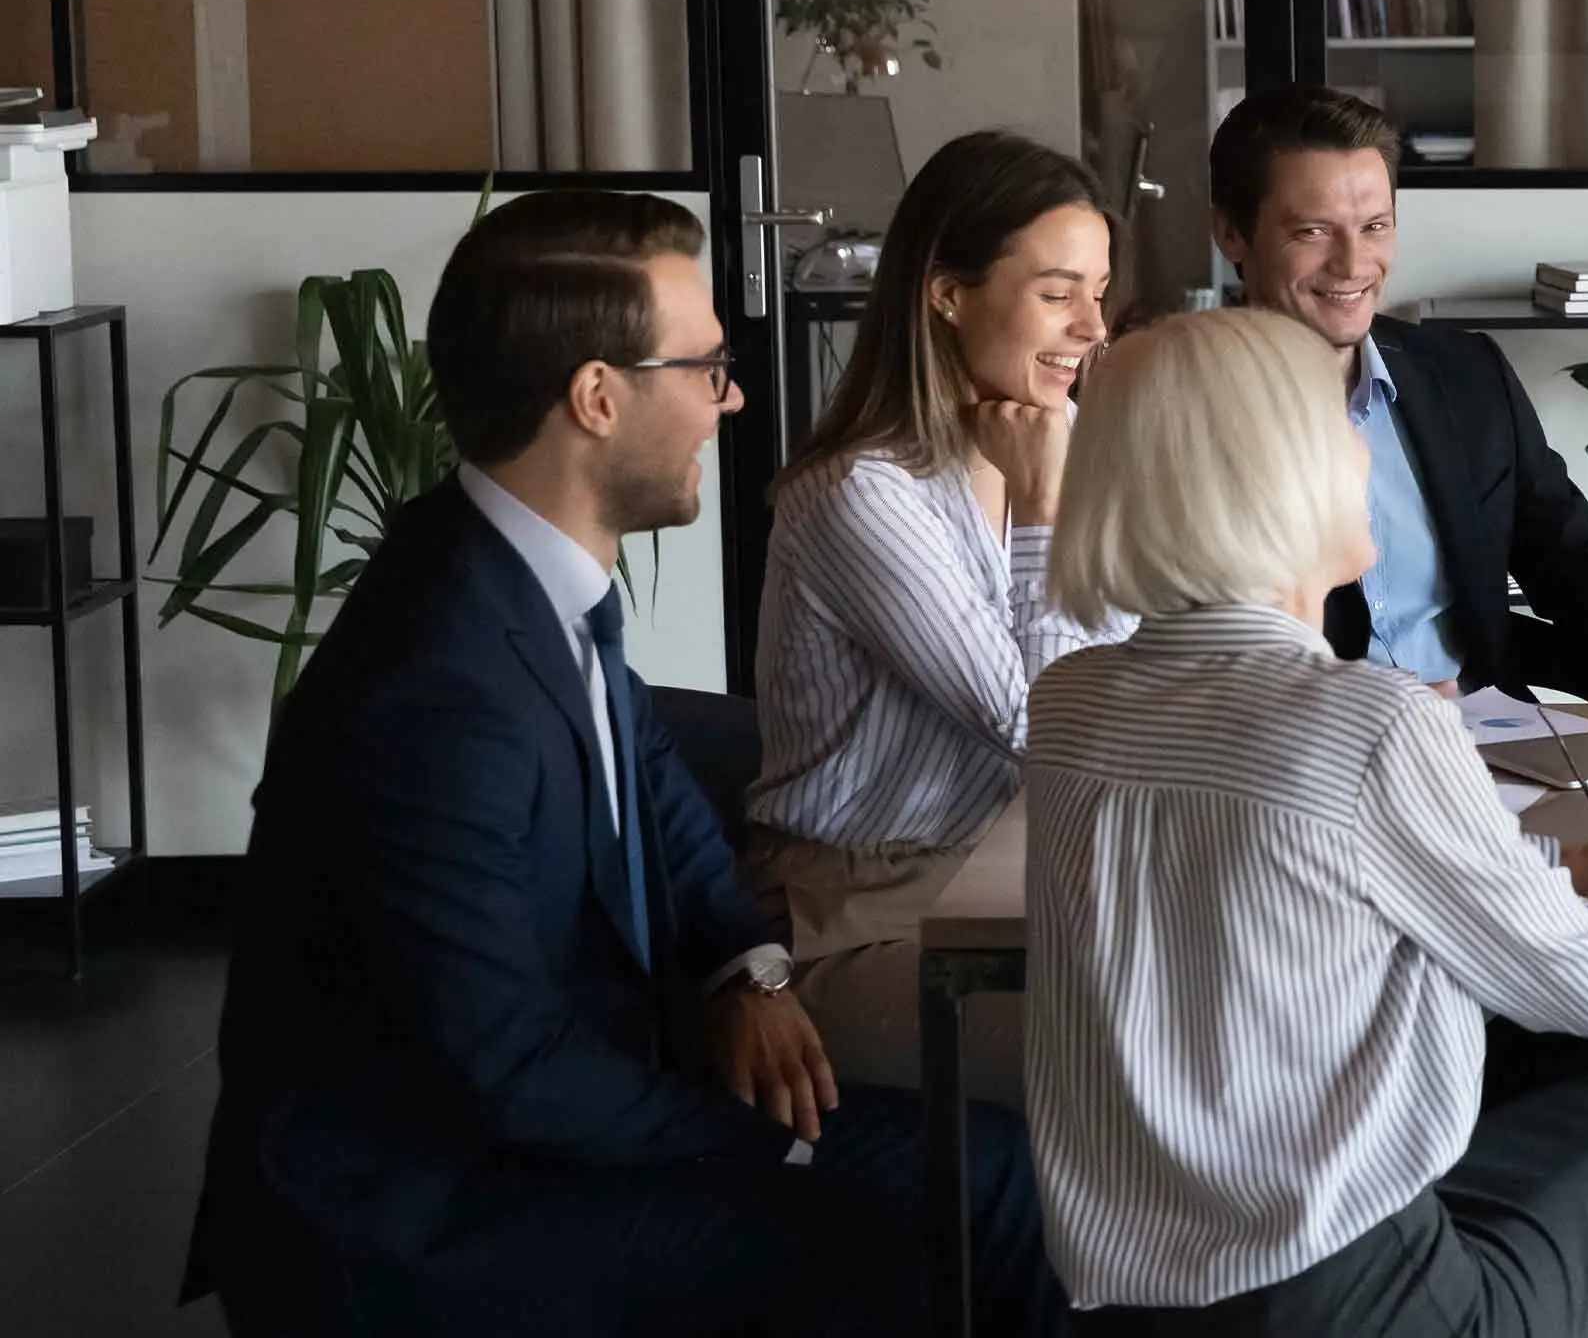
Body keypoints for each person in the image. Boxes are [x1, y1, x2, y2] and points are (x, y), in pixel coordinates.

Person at [184, 191, 1062, 1336]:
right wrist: (776, 1141)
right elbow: (510, 1069)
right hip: (425, 1210)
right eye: (706, 366)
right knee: (894, 1228)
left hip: (564, 1102)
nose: (731, 396)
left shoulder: (516, 569)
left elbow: (656, 778)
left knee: (985, 1171)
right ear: (598, 397)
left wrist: (746, 967)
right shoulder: (437, 686)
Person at [1019, 306, 1588, 1338]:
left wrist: (1570, 874)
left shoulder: (1069, 702)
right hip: (1361, 1301)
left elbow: (1302, 903)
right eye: (1336, 423)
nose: (1361, 446)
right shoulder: (1372, 719)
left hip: (1135, 1302)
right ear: (1275, 468)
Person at [1205, 83, 1588, 1099]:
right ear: (1234, 238)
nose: (1355, 265)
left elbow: (1569, 553)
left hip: (1499, 769)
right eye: (1312, 231)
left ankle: (1446, 1109)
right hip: (1318, 802)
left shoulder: (1464, 375)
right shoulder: (1189, 409)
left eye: (1375, 225)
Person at [745, 130, 1136, 1103]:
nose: (1093, 326)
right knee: (1150, 1033)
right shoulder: (861, 493)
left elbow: (1136, 679)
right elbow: (1051, 728)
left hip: (1036, 880)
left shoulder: (1070, 438)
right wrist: (1045, 512)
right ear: (947, 290)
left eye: (1098, 290)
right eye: (1058, 292)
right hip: (865, 915)